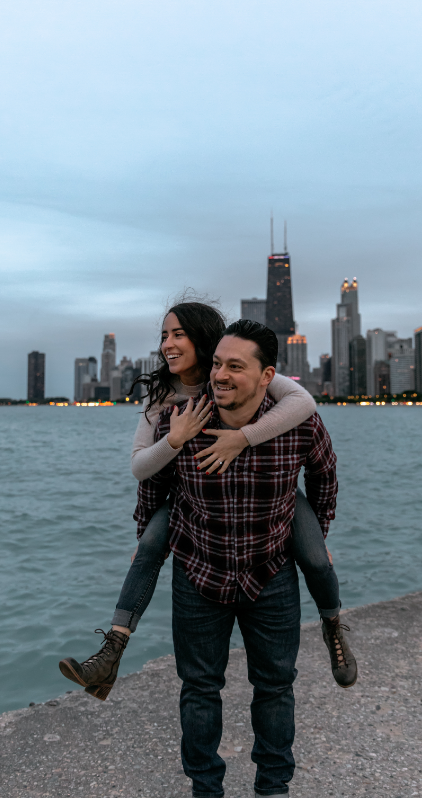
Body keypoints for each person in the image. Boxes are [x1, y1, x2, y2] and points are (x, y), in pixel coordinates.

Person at [59, 303, 356, 702]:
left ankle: (333, 625)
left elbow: (303, 404)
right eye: (164, 336)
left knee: (318, 558)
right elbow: (145, 472)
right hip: (190, 497)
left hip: (274, 495)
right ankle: (111, 652)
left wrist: (242, 438)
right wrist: (175, 439)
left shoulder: (239, 366)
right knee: (148, 546)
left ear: (203, 339)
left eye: (178, 334)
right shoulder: (164, 397)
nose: (168, 344)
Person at [142, 319, 350, 798]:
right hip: (199, 572)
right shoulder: (182, 419)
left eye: (235, 366)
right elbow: (152, 488)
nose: (220, 375)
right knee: (198, 689)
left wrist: (316, 534)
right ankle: (205, 790)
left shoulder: (298, 423)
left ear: (266, 376)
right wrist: (146, 539)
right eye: (217, 363)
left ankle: (273, 788)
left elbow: (324, 476)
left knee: (275, 687)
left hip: (269, 572)